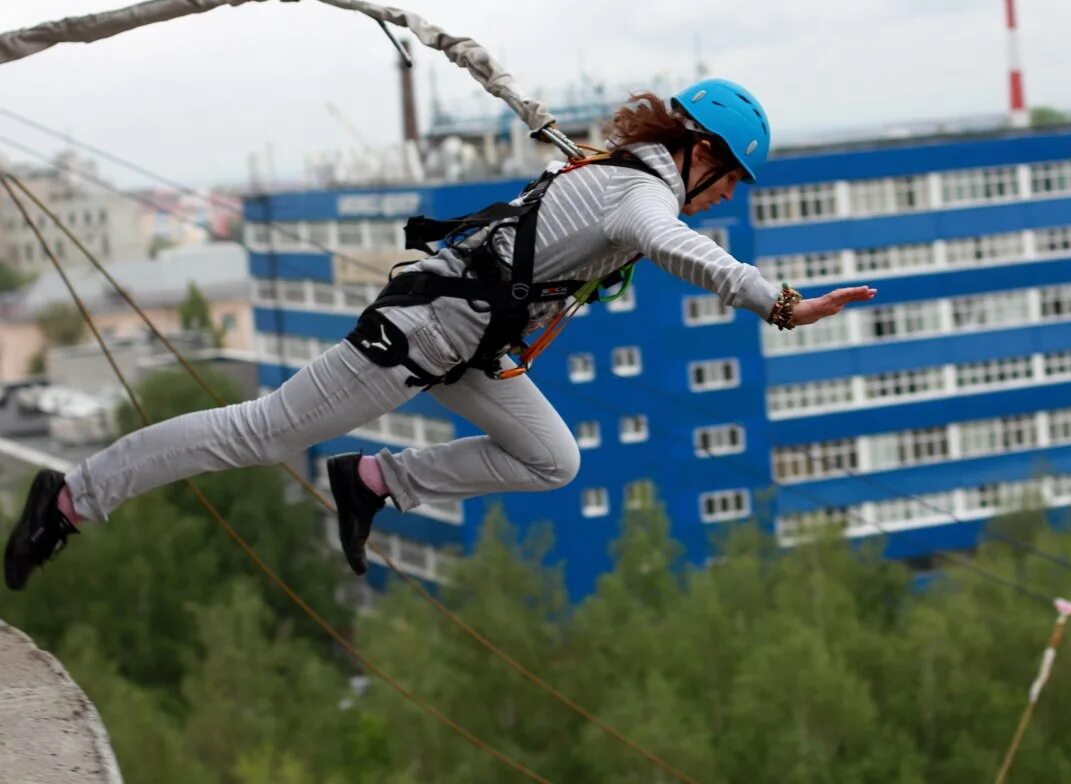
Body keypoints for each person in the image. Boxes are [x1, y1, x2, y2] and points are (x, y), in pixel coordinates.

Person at [4, 79, 876, 591]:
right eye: (727, 178)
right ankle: (76, 494)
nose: (725, 196)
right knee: (258, 431)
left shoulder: (617, 173)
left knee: (553, 459)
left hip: (468, 350)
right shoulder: (642, 194)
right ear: (700, 153)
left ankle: (377, 481)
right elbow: (678, 245)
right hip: (418, 340)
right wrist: (778, 302)